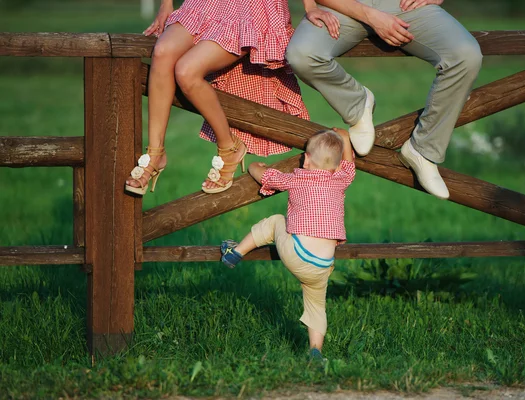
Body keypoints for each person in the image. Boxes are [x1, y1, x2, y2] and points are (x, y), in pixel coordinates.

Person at [124, 0, 340, 195]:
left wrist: (310, 6)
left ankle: (229, 147)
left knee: (186, 71)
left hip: (253, 9)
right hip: (204, 4)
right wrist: (166, 5)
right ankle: (155, 153)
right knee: (162, 52)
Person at [286, 0, 482, 199]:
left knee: (466, 56)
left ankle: (424, 150)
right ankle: (357, 104)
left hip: (405, 6)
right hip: (340, 6)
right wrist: (370, 16)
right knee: (302, 54)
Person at [220, 128, 355, 359]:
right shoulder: (340, 179)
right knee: (316, 307)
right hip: (323, 266)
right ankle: (315, 351)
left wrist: (256, 166)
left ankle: (235, 252)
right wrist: (345, 137)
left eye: (304, 155)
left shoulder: (297, 179)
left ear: (307, 159)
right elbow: (350, 165)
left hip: (297, 254)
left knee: (275, 222)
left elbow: (265, 177)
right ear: (335, 164)